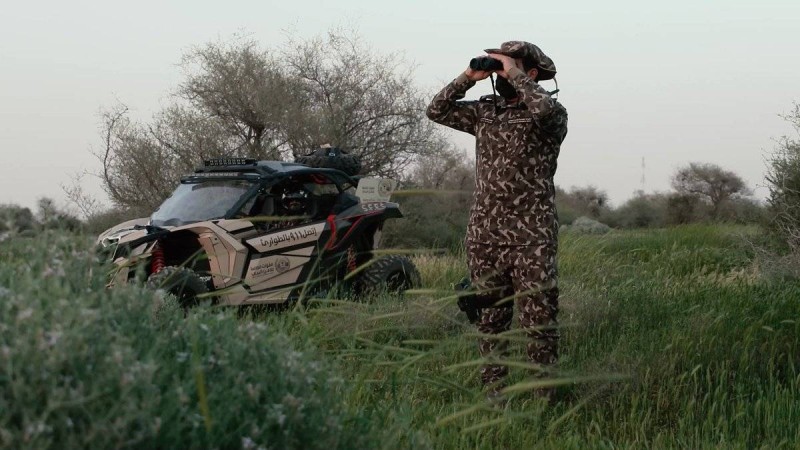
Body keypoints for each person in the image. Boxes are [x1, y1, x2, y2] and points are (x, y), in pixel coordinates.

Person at [426, 41, 568, 401]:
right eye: (498, 65)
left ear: (529, 73)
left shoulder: (549, 115)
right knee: (490, 322)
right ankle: (495, 397)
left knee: (539, 324)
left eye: (507, 65)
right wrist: (469, 76)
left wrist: (515, 74)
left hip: (531, 237)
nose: (500, 72)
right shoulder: (485, 111)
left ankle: (543, 401)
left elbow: (545, 110)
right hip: (484, 235)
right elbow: (436, 110)